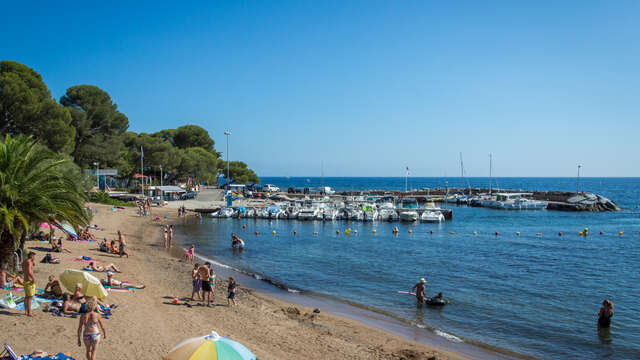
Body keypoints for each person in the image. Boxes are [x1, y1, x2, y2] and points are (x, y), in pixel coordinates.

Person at [22, 252, 36, 316]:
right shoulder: (29, 262)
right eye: (34, 256)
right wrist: (33, 279)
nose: (34, 257)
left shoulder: (25, 262)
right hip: (29, 281)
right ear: (31, 256)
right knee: (30, 297)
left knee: (26, 296)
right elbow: (29, 271)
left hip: (25, 280)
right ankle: (29, 312)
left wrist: (33, 262)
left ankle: (26, 311)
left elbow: (25, 270)